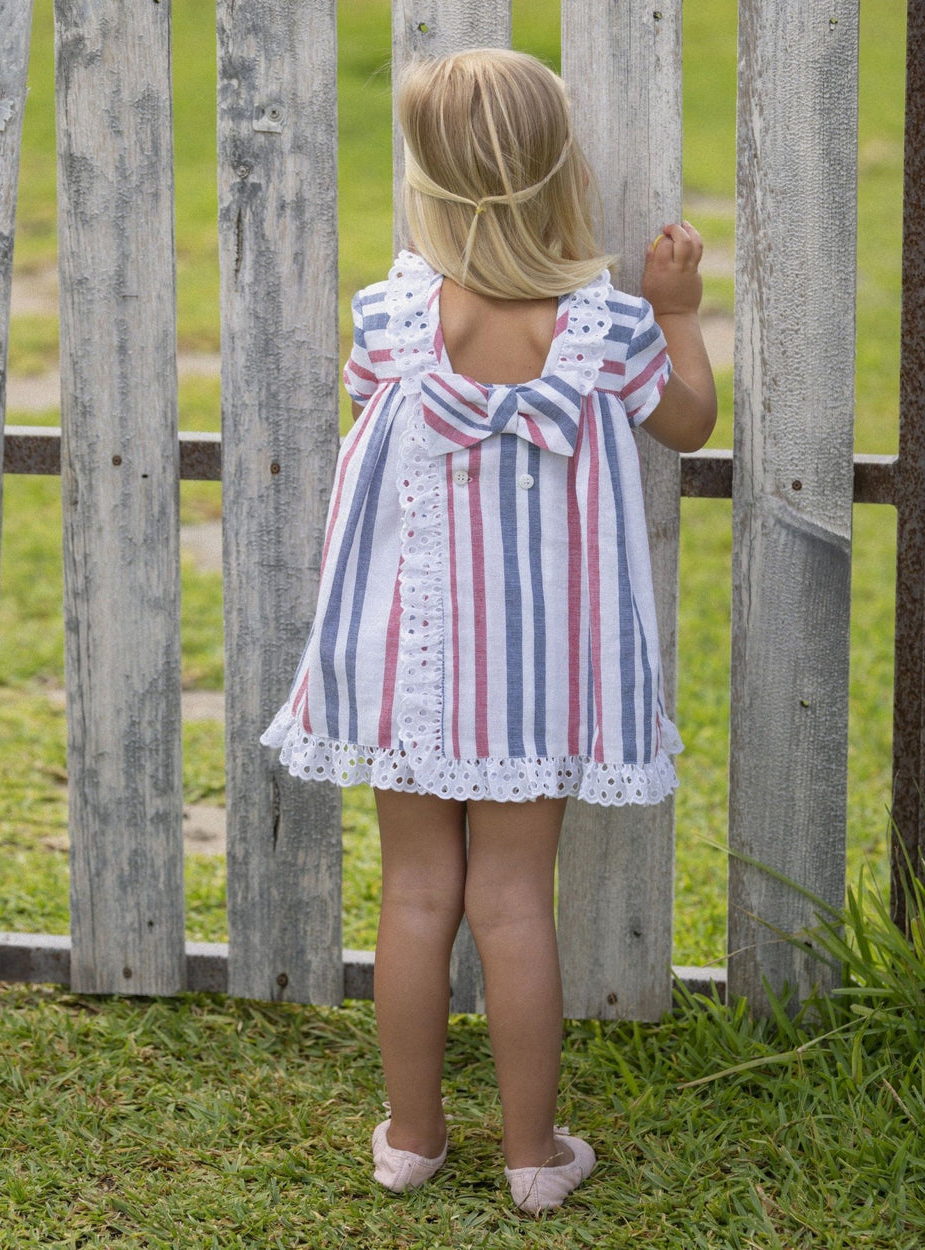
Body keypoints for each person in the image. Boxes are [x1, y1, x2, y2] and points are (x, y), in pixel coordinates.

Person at [261, 47, 716, 1214]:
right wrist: (675, 311)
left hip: (411, 659)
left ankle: (412, 1137)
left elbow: (370, 406)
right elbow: (687, 424)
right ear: (563, 175)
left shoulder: (391, 318)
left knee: (415, 893)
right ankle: (531, 1155)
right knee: (514, 900)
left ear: (429, 185)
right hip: (538, 672)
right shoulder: (609, 330)